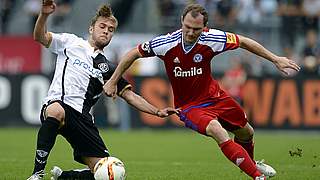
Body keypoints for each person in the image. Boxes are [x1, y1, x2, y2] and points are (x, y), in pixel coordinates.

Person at [104, 3, 300, 180]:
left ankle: (250, 164)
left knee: (247, 132)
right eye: (187, 27)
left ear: (204, 27)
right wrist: (113, 81)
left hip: (216, 97)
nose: (190, 32)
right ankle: (257, 177)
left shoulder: (212, 38)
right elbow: (133, 53)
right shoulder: (166, 43)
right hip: (189, 107)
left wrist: (275, 59)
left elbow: (244, 41)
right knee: (217, 130)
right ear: (181, 21)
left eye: (196, 29)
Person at [27, 1, 178, 180]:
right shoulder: (70, 42)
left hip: (83, 118)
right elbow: (39, 37)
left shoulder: (108, 68)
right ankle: (37, 174)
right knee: (56, 110)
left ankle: (64, 176)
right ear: (92, 28)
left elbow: (130, 96)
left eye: (111, 29)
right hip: (58, 104)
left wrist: (157, 110)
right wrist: (44, 15)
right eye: (102, 26)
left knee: (108, 173)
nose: (106, 31)